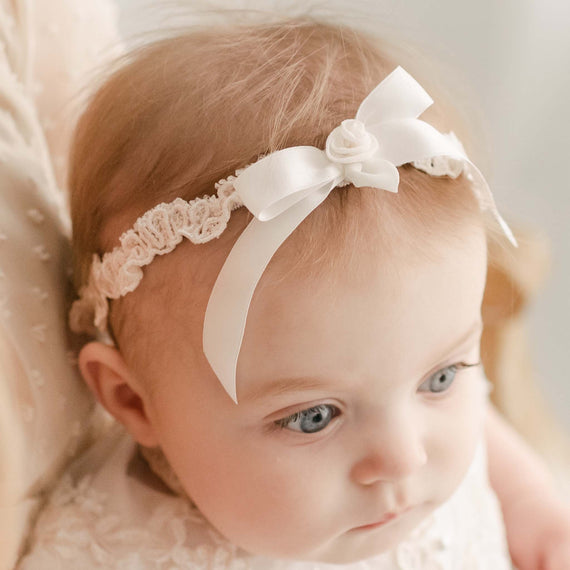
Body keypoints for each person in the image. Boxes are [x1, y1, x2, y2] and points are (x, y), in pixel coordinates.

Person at [17, 15, 570, 570]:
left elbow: (485, 432)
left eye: (441, 378)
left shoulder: (402, 393)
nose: (405, 457)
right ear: (134, 402)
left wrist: (531, 504)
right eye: (314, 417)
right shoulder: (108, 553)